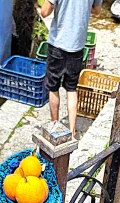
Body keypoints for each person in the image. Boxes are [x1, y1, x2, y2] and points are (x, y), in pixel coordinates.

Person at [40, 0, 102, 138]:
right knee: (71, 89)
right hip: (77, 46)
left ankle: (55, 128)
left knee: (53, 88)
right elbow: (97, 10)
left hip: (58, 45)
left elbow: (44, 12)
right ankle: (72, 132)